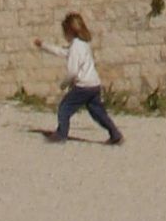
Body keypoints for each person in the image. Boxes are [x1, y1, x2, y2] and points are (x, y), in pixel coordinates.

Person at [34, 10, 125, 146]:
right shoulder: (83, 44)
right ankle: (115, 134)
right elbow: (62, 51)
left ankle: (61, 134)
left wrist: (64, 84)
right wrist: (44, 46)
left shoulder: (76, 46)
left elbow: (72, 71)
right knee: (97, 112)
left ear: (69, 31)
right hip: (94, 84)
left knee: (64, 108)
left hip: (83, 86)